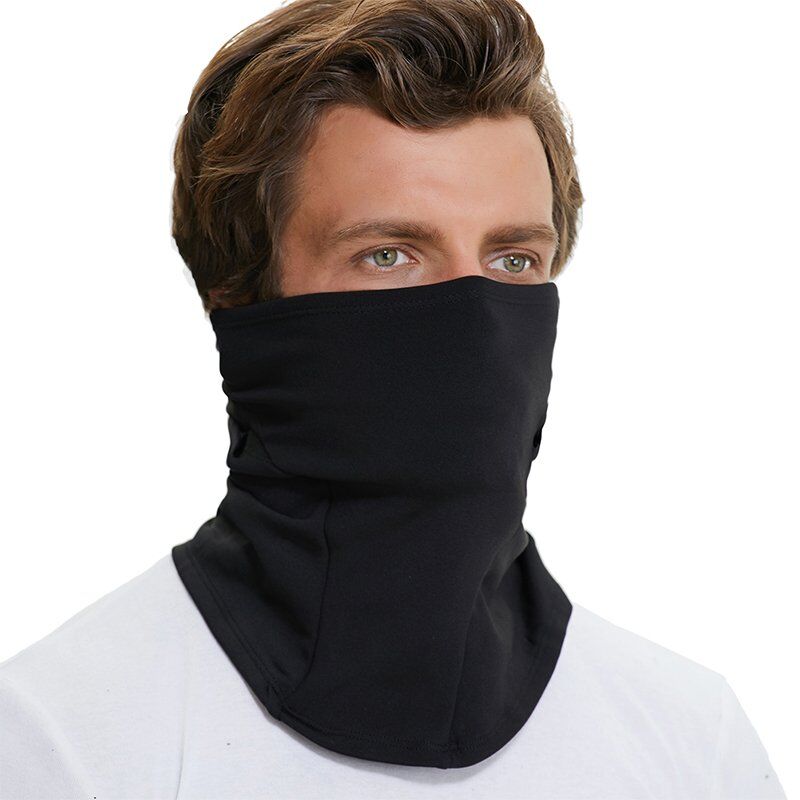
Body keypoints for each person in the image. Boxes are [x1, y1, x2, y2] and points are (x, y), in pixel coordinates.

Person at [0, 0, 786, 797]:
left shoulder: (693, 740)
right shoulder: (59, 741)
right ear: (239, 298)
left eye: (513, 260)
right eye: (389, 255)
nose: (474, 322)